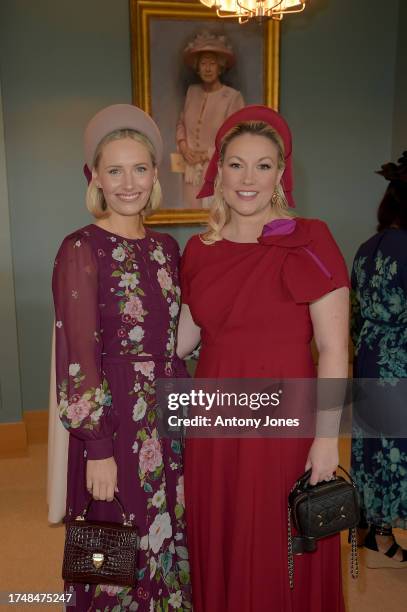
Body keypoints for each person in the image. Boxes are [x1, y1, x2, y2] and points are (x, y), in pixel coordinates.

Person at [177, 105, 350, 612]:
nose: (247, 178)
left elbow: (336, 349)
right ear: (218, 170)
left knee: (278, 541)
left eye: (263, 165)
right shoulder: (199, 250)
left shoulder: (310, 239)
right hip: (213, 421)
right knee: (223, 532)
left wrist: (326, 439)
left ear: (280, 173)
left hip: (284, 423)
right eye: (236, 164)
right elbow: (183, 342)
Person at [52, 104, 191, 610]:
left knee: (169, 538)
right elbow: (78, 357)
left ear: (155, 174)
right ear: (96, 178)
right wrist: (98, 446)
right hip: (115, 424)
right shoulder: (80, 248)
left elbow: (175, 339)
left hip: (170, 417)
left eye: (139, 168)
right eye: (115, 170)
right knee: (112, 550)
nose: (128, 182)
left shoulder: (166, 249)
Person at [351, 151, 407, 567]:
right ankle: (383, 533)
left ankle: (378, 532)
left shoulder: (366, 249)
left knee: (374, 442)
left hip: (369, 351)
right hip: (400, 356)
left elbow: (354, 311)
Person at [176, 31, 244, 209]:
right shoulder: (192, 91)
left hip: (216, 168)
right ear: (197, 67)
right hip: (190, 168)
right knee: (189, 212)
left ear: (220, 67)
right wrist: (184, 148)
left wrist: (206, 155)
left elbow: (235, 136)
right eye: (203, 63)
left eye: (212, 63)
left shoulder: (232, 97)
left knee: (214, 215)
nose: (207, 68)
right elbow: (181, 124)